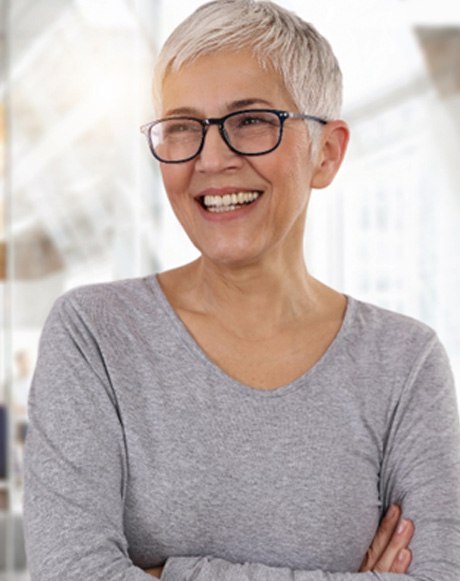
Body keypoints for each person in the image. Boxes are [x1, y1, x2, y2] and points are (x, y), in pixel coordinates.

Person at [23, 1, 460, 580]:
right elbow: (70, 574)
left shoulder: (404, 364)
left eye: (251, 121)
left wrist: (165, 573)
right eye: (182, 127)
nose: (211, 159)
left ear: (326, 152)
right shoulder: (94, 334)